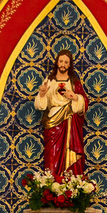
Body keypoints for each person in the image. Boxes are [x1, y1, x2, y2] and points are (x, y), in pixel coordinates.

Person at [34, 49, 87, 183]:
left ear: (70, 65)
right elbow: (41, 106)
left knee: (69, 154)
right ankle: (52, 184)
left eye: (66, 62)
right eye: (61, 61)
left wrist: (74, 97)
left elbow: (84, 102)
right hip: (53, 122)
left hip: (69, 123)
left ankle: (71, 184)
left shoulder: (74, 82)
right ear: (57, 62)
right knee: (52, 155)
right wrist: (42, 93)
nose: (63, 64)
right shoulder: (49, 81)